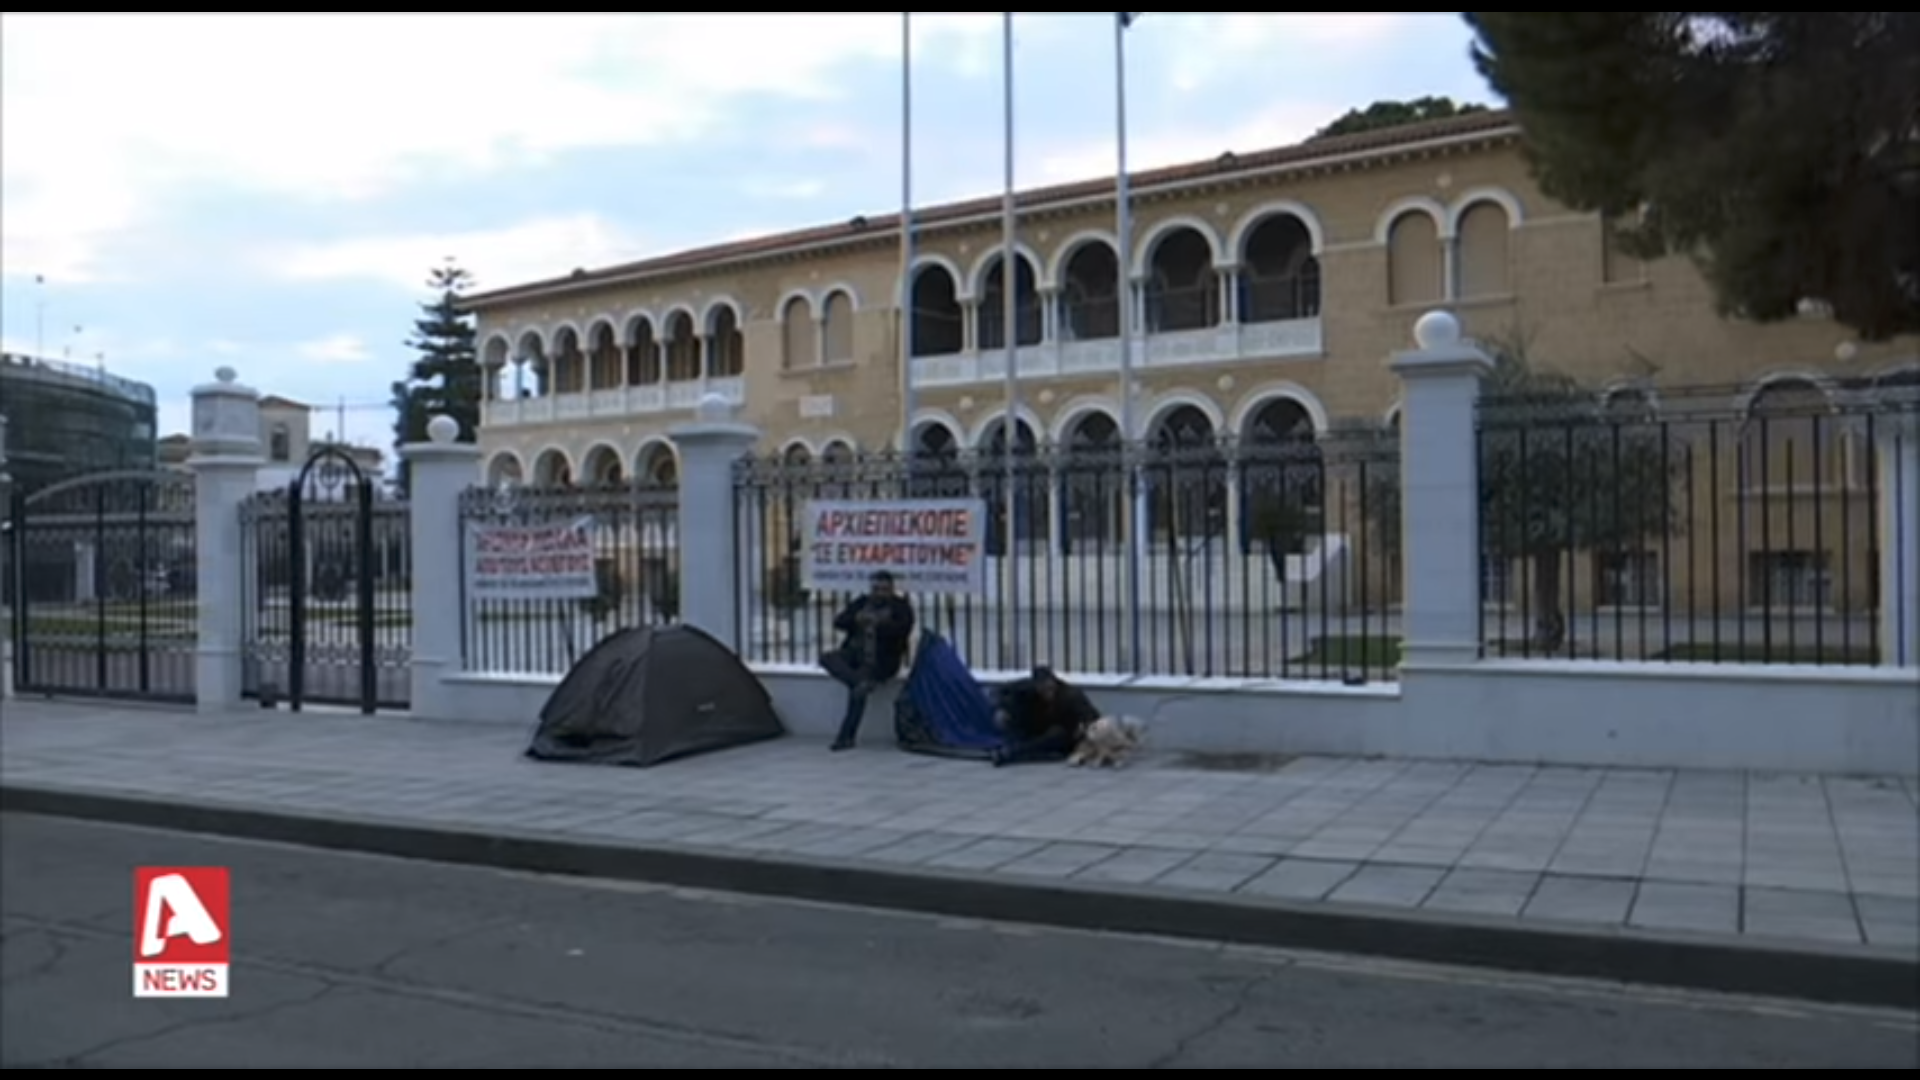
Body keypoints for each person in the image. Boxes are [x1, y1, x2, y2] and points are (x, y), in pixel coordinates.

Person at [820, 570, 916, 752]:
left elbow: (902, 631)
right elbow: (839, 621)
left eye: (884, 589)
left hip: (880, 660)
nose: (879, 593)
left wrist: (878, 624)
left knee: (858, 692)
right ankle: (858, 681)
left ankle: (845, 737)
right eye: (876, 589)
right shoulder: (862, 603)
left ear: (891, 589)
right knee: (828, 659)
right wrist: (857, 620)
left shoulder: (900, 607)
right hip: (854, 654)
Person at [989, 665, 1099, 767]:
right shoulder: (1028, 688)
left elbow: (1092, 717)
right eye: (1042, 690)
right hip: (1037, 726)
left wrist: (1082, 729)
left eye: (1049, 688)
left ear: (1054, 683)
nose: (1047, 693)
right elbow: (998, 692)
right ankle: (1012, 746)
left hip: (1062, 736)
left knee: (1055, 734)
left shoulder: (1070, 695)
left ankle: (1013, 752)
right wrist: (1006, 709)